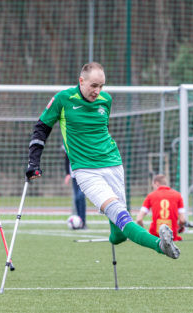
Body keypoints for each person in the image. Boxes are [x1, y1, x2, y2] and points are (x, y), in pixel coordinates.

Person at [26, 62, 180, 259]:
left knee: (119, 232)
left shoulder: (106, 100)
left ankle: (114, 236)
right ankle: (160, 245)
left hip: (114, 164)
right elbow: (41, 128)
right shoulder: (63, 99)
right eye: (93, 86)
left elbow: (102, 129)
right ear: (81, 81)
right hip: (86, 171)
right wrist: (34, 162)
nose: (97, 91)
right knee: (121, 214)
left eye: (101, 86)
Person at [136, 174, 186, 241]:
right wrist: (180, 227)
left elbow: (139, 219)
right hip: (172, 236)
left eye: (152, 185)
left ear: (156, 183)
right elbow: (182, 220)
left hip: (155, 236)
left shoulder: (151, 196)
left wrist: (146, 235)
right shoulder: (178, 195)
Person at [63, 146, 87, 229]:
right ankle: (79, 221)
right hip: (74, 174)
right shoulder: (68, 141)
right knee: (76, 198)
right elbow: (67, 158)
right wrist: (67, 174)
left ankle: (83, 222)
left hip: (84, 173)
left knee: (80, 196)